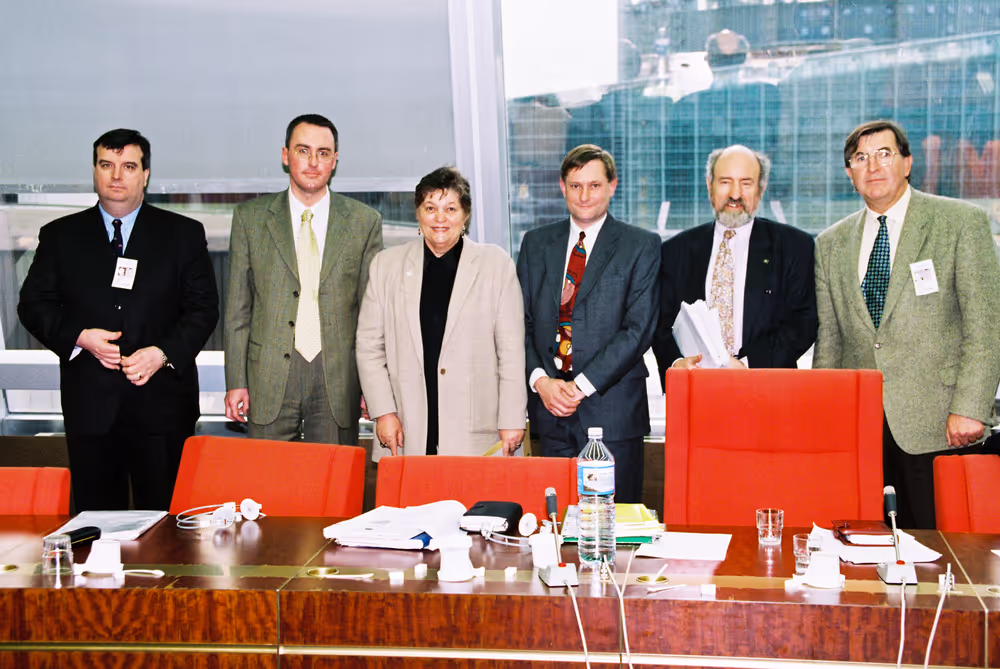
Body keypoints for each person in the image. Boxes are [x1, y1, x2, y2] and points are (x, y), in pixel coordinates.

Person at [18, 128, 219, 511]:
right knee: (95, 526)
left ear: (145, 174)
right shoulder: (60, 236)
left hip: (162, 407)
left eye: (128, 166)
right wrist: (80, 337)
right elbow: (33, 305)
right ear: (94, 171)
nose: (116, 176)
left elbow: (203, 309)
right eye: (106, 165)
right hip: (90, 407)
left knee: (166, 524)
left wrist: (162, 352)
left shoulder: (183, 234)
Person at [814, 119, 1000, 529]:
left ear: (907, 163)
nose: (873, 166)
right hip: (860, 432)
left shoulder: (959, 223)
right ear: (849, 172)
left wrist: (970, 408)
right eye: (860, 158)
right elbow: (830, 339)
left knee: (942, 556)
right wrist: (828, 418)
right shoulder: (829, 243)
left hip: (940, 425)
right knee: (863, 549)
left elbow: (986, 325)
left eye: (884, 154)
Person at [224, 114, 382, 445]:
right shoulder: (250, 219)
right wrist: (236, 380)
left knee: (333, 486)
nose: (313, 162)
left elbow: (373, 316)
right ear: (285, 156)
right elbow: (238, 309)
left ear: (335, 160)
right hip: (268, 374)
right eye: (303, 151)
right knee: (267, 487)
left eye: (323, 153)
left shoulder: (364, 222)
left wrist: (374, 385)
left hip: (338, 377)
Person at [517, 144, 660, 503]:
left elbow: (637, 330)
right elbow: (520, 323)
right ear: (562, 187)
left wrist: (579, 386)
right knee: (557, 521)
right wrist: (542, 382)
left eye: (594, 185)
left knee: (615, 527)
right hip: (549, 411)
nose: (584, 195)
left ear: (613, 186)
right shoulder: (535, 244)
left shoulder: (641, 245)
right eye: (575, 185)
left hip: (611, 413)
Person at [356, 167, 526, 458]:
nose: (440, 218)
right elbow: (369, 347)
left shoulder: (496, 265)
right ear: (418, 213)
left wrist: (511, 419)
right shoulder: (386, 266)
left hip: (477, 428)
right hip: (405, 425)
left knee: (475, 503)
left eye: (450, 208)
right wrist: (383, 412)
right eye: (430, 208)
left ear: (465, 215)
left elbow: (510, 352)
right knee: (409, 503)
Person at [653, 145, 817, 379]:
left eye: (746, 183)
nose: (735, 194)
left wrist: (748, 366)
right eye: (725, 182)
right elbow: (659, 324)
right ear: (710, 186)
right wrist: (677, 362)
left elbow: (804, 322)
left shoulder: (794, 247)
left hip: (768, 388)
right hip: (695, 389)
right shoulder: (674, 252)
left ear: (761, 189)